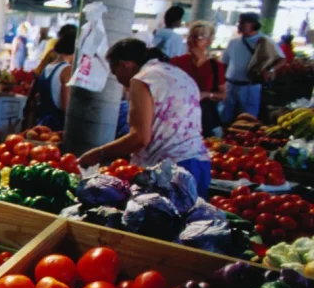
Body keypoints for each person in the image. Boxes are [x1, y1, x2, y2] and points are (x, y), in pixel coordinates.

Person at [77, 39, 210, 196]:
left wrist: (97, 154)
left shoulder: (143, 79)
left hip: (169, 171)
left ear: (125, 64)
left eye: (115, 72)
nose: (118, 80)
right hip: (200, 163)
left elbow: (140, 138)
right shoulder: (177, 73)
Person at [221, 12, 285, 124]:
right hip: (230, 85)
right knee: (225, 117)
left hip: (250, 86)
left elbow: (282, 59)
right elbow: (225, 63)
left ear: (254, 24)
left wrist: (269, 70)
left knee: (247, 119)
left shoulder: (264, 41)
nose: (239, 26)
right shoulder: (233, 41)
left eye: (242, 23)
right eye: (239, 23)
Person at [171, 20, 226, 136]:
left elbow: (222, 94)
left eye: (199, 37)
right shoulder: (176, 62)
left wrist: (206, 95)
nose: (192, 41)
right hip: (178, 115)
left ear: (209, 41)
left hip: (204, 118)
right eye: (191, 37)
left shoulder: (215, 66)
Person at [27, 26, 75, 130]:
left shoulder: (48, 67)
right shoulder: (67, 70)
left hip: (41, 126)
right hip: (56, 128)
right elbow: (66, 107)